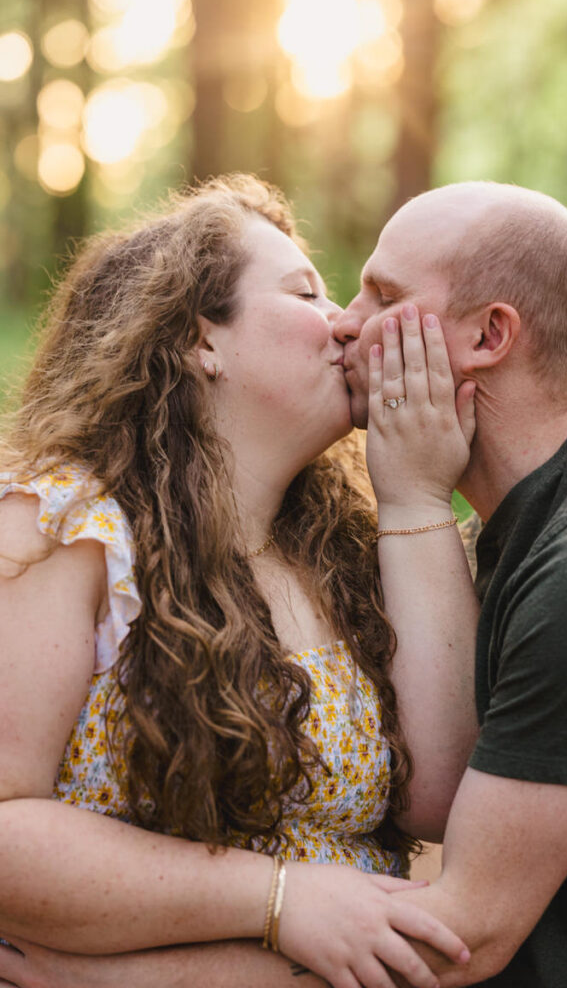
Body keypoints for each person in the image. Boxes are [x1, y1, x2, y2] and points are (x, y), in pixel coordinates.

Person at [0, 175, 479, 988]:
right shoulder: (64, 524)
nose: (346, 324)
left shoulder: (352, 549)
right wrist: (278, 900)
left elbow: (436, 802)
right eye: (306, 293)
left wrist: (414, 496)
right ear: (200, 341)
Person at [333, 181, 567, 986]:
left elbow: (463, 938)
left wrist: (108, 977)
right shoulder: (521, 523)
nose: (346, 320)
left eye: (383, 295)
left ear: (490, 334)